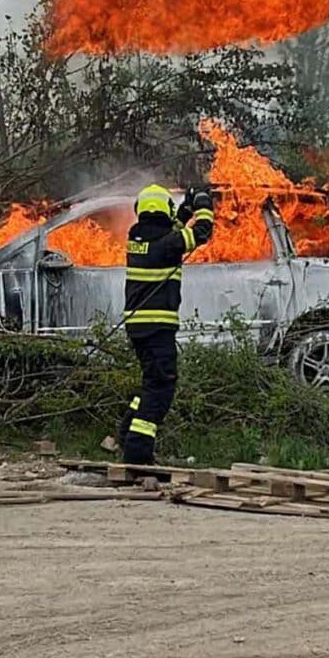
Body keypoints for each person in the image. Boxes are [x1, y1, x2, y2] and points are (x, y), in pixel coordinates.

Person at [118, 183, 214, 464]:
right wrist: (204, 204)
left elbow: (172, 231)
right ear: (164, 210)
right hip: (157, 328)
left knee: (151, 382)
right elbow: (202, 232)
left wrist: (185, 208)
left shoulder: (138, 239)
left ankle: (126, 433)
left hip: (139, 327)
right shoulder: (167, 244)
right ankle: (138, 452)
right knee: (162, 387)